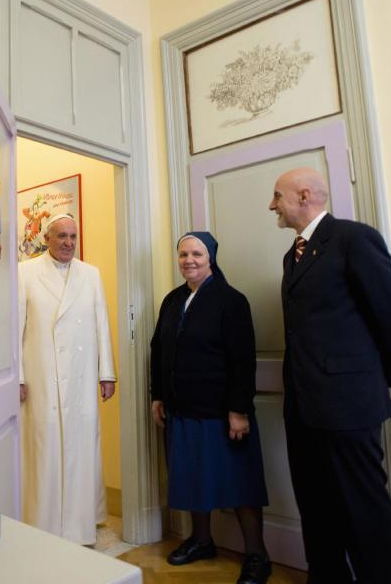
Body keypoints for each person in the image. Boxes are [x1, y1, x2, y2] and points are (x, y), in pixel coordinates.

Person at [268, 168, 391, 583]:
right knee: (316, 505)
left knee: (362, 507)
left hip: (350, 406)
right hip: (303, 407)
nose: (272, 205)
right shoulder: (292, 254)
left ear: (303, 195)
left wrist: (372, 380)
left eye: (277, 196)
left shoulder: (353, 239)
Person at [150, 231, 272, 584]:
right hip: (181, 409)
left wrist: (238, 410)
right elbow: (159, 351)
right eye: (183, 254)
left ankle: (257, 555)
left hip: (222, 413)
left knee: (241, 484)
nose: (189, 260)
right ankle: (202, 541)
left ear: (211, 257)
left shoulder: (231, 300)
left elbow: (242, 360)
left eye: (197, 254)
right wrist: (158, 395)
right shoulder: (172, 300)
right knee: (191, 479)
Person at [18, 213, 116, 544]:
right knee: (44, 446)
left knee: (81, 446)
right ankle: (42, 524)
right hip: (41, 374)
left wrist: (107, 373)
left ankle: (79, 525)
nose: (68, 242)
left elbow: (101, 322)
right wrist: (16, 376)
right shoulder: (25, 272)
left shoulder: (91, 274)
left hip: (81, 374)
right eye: (61, 236)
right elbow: (16, 328)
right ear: (46, 238)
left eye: (73, 236)